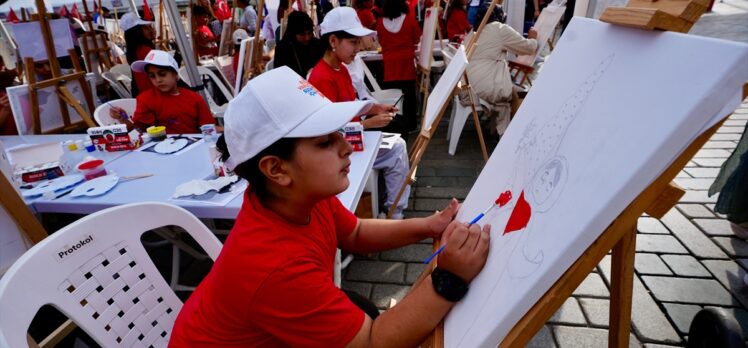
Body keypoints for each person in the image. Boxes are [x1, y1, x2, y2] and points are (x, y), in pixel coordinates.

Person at [169, 66, 490, 346]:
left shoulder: (299, 199)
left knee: (361, 308)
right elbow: (371, 342)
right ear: (277, 169)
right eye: (324, 141)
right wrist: (449, 279)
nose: (345, 146)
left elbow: (357, 231)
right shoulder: (275, 266)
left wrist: (427, 225)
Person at [310, 7, 411, 219]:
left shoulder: (340, 69)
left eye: (358, 42)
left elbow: (352, 103)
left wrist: (376, 108)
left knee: (398, 146)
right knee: (397, 148)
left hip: (353, 140)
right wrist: (369, 124)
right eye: (353, 42)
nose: (358, 48)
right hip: (341, 149)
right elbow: (327, 130)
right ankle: (394, 212)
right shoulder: (322, 78)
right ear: (333, 41)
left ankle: (392, 209)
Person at [465, 4, 536, 136]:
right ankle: (508, 136)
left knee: (512, 91)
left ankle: (500, 131)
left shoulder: (473, 32)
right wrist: (533, 37)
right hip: (485, 87)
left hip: (469, 87)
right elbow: (528, 48)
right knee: (516, 96)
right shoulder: (499, 29)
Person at [109, 50, 214, 134]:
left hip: (193, 148)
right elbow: (137, 130)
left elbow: (208, 127)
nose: (158, 80)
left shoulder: (194, 98)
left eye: (162, 74)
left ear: (176, 75)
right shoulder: (145, 99)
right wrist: (123, 119)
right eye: (152, 76)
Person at [376, 0, 421, 132]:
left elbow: (381, 40)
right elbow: (417, 38)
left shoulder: (380, 22)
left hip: (389, 62)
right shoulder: (409, 19)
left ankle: (394, 124)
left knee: (392, 96)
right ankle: (411, 124)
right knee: (409, 94)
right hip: (406, 60)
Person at [273, 11, 324, 77]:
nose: (307, 38)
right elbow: (280, 76)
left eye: (309, 33)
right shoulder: (282, 49)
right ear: (293, 33)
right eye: (302, 34)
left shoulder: (316, 44)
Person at [121, 12, 156, 97]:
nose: (151, 30)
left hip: (143, 95)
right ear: (137, 32)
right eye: (146, 28)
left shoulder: (133, 51)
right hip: (154, 96)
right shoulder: (145, 51)